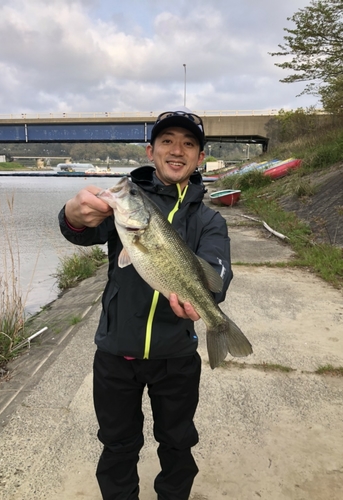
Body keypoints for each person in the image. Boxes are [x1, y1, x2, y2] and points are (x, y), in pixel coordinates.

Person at [58, 107, 233, 500]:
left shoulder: (209, 220)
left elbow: (217, 275)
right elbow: (81, 231)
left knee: (178, 444)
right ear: (150, 150)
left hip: (177, 358)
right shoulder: (124, 208)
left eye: (189, 144)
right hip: (116, 355)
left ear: (200, 157)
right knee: (118, 448)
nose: (177, 150)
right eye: (167, 141)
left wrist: (210, 306)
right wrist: (72, 214)